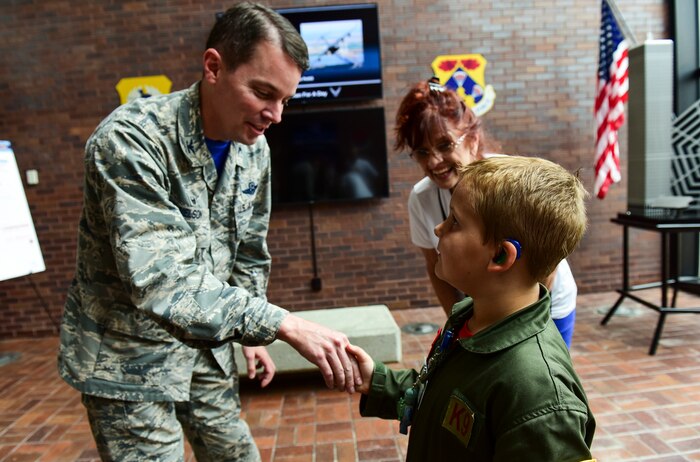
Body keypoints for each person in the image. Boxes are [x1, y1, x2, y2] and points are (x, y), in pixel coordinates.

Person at [57, 3, 360, 461]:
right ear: (214, 67)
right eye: (262, 92)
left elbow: (249, 254)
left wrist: (248, 336)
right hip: (128, 359)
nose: (275, 115)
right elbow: (163, 280)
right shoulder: (130, 141)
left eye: (285, 100)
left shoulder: (253, 149)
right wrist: (281, 324)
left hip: (205, 352)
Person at [348, 155, 596, 460]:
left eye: (455, 221)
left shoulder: (540, 396)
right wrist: (376, 381)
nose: (439, 229)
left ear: (501, 257)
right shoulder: (470, 317)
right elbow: (446, 397)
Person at [398, 78, 579, 347]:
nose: (433, 161)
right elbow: (433, 266)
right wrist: (460, 325)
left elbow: (546, 262)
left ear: (472, 138)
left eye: (445, 145)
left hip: (545, 305)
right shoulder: (422, 197)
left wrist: (520, 326)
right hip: (485, 309)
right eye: (422, 152)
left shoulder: (513, 181)